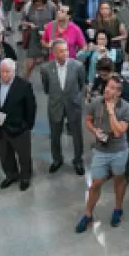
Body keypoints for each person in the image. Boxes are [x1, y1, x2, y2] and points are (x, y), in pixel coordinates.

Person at [75, 74, 129, 233]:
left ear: (119, 93)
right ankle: (88, 214)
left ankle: (118, 208)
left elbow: (119, 131)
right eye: (108, 86)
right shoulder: (96, 102)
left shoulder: (126, 107)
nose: (108, 90)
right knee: (96, 183)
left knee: (119, 180)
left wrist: (111, 111)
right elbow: (88, 119)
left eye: (113, 88)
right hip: (101, 150)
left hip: (119, 150)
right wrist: (95, 130)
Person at [37, 40, 88, 175]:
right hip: (55, 105)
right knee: (55, 135)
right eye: (61, 51)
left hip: (73, 105)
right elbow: (46, 88)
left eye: (66, 50)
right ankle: (57, 159)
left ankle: (78, 160)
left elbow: (82, 84)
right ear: (53, 53)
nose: (65, 53)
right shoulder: (45, 69)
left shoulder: (78, 66)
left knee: (77, 135)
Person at [0, 59, 37, 191]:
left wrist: (27, 125)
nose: (4, 74)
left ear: (14, 71)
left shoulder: (24, 86)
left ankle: (25, 177)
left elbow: (31, 108)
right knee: (4, 154)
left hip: (19, 128)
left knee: (24, 155)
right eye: (2, 71)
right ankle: (11, 175)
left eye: (7, 71)